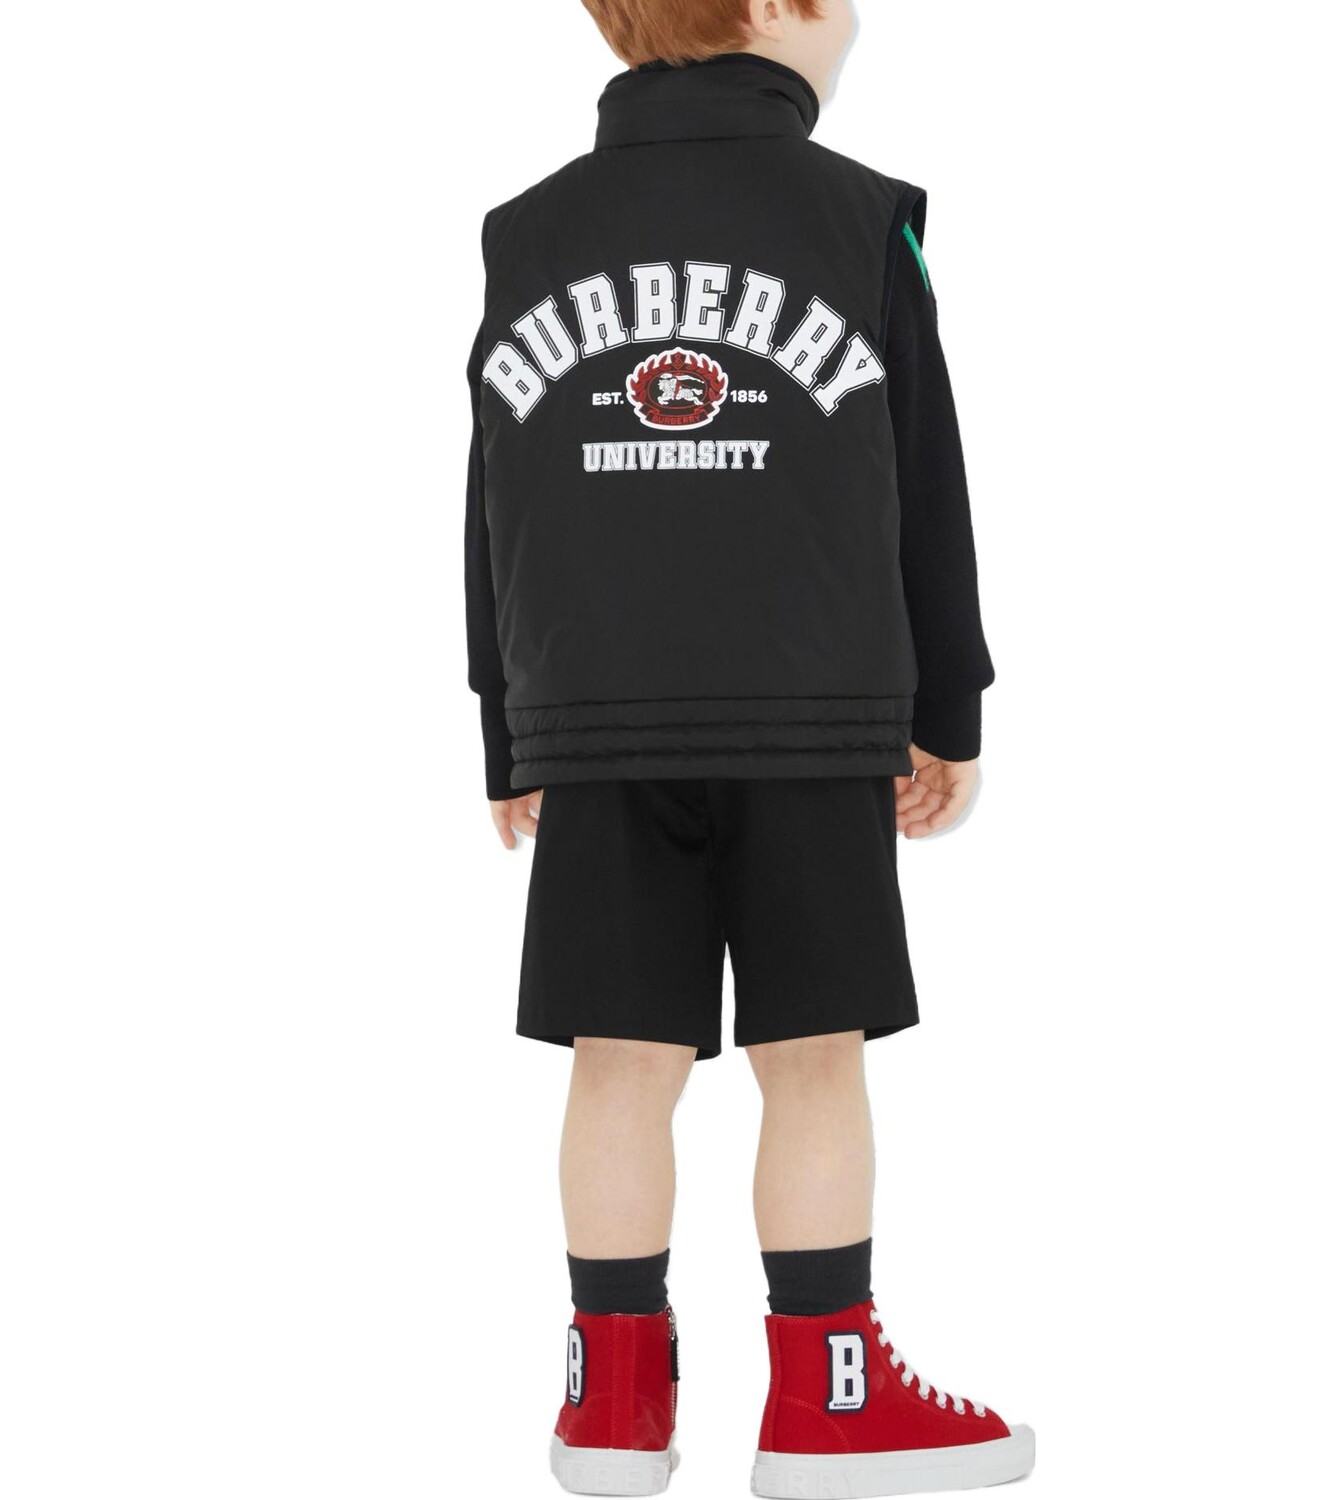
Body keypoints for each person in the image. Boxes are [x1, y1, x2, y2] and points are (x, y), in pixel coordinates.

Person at [464, 2, 1033, 1492]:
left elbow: (497, 490)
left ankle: (609, 1403)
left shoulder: (527, 233)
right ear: (777, 6)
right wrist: (949, 706)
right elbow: (926, 478)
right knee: (815, 1059)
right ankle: (830, 1401)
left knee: (618, 1061)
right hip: (811, 714)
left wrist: (506, 723)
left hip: (596, 723)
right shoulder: (864, 222)